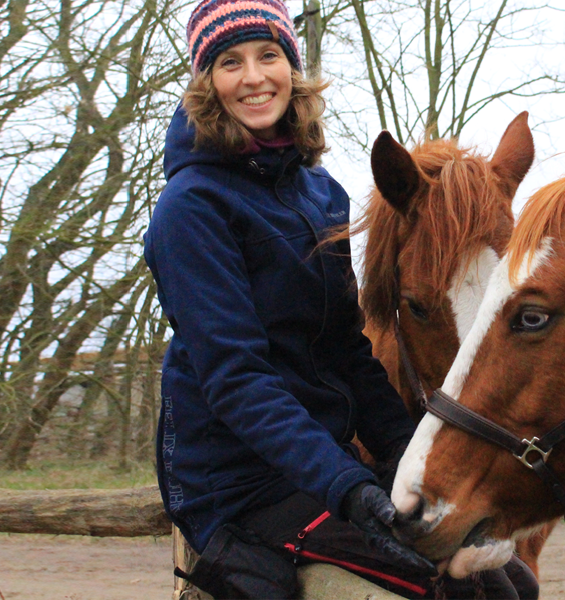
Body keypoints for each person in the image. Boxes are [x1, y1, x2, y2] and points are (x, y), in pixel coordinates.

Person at [144, 2, 538, 598]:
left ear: (291, 69)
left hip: (323, 461)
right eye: (230, 62)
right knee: (436, 589)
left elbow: (349, 355)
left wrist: (409, 459)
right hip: (240, 481)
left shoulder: (320, 193)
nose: (254, 77)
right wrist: (350, 488)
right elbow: (237, 379)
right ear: (207, 84)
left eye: (268, 55)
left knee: (512, 587)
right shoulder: (190, 209)